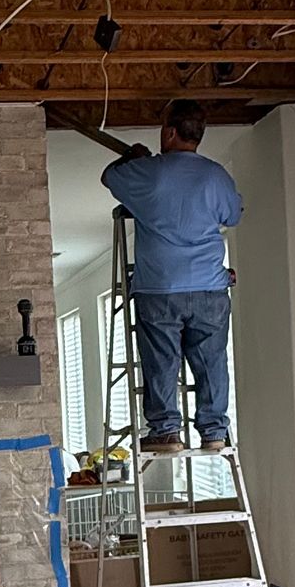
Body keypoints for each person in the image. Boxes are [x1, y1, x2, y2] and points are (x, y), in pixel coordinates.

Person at [101, 100, 243, 452]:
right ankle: (213, 431)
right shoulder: (216, 175)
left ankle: (165, 431)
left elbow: (110, 177)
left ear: (169, 132)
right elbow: (233, 215)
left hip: (160, 288)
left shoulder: (150, 172)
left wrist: (131, 157)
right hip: (209, 288)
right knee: (212, 361)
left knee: (161, 361)